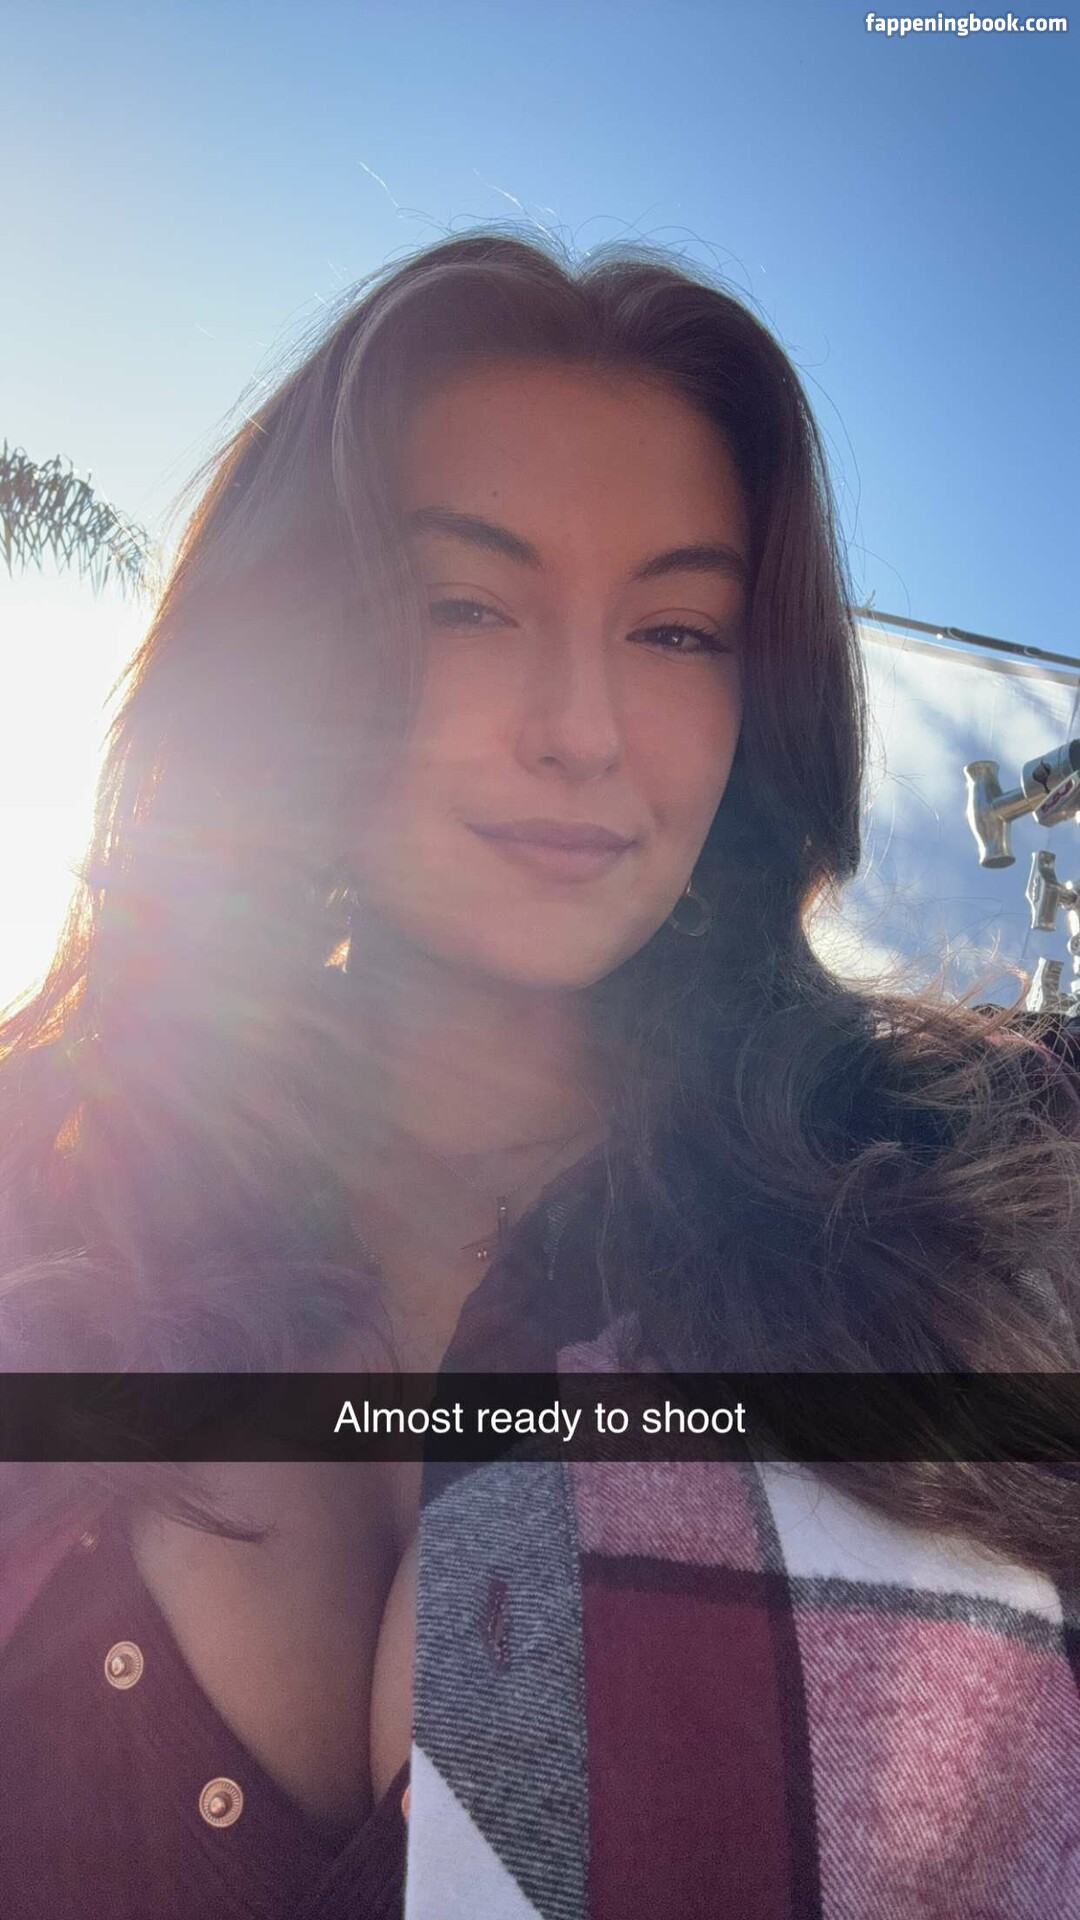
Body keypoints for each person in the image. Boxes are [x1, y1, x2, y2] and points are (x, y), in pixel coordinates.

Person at [1, 228, 1079, 1920]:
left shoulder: (978, 1204)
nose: (581, 728)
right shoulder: (47, 1178)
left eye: (679, 632)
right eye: (470, 606)